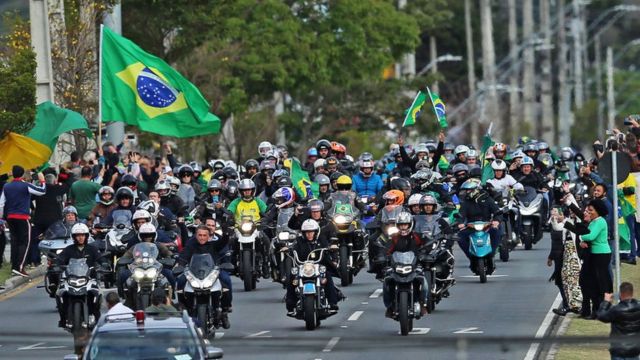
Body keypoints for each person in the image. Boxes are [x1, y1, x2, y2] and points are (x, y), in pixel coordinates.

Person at [176, 225, 232, 328]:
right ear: (196, 235)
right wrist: (180, 265)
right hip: (194, 274)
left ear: (208, 236)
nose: (202, 237)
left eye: (204, 235)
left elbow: (223, 242)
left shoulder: (214, 245)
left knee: (225, 285)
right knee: (180, 281)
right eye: (200, 235)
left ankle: (224, 311)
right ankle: (183, 306)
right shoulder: (191, 245)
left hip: (211, 274)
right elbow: (184, 255)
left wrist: (226, 232)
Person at [285, 219, 340, 316]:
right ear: (303, 233)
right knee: (292, 279)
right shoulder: (299, 241)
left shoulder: (321, 239)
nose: (309, 234)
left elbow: (328, 248)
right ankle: (290, 306)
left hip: (318, 266)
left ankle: (332, 303)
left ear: (315, 232)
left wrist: (331, 249)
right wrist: (288, 249)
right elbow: (293, 247)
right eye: (307, 232)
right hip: (303, 267)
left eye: (311, 232)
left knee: (327, 277)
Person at [55, 223, 105, 327]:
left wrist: (104, 264)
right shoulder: (68, 249)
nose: (80, 237)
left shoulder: (92, 249)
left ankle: (96, 317)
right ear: (74, 237)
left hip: (90, 279)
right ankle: (63, 319)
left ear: (87, 236)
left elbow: (101, 259)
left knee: (96, 294)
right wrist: (56, 265)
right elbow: (59, 259)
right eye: (78, 235)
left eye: (83, 235)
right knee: (59, 293)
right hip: (71, 279)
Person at [0, 166, 46, 277]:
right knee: (25, 242)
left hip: (10, 217)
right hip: (23, 217)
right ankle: (20, 267)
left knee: (15, 242)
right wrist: (42, 180)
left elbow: (1, 204)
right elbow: (42, 191)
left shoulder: (6, 186)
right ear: (22, 175)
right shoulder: (26, 185)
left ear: (13, 174)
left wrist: (1, 219)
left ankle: (14, 267)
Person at [383, 211, 427, 317]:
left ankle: (422, 304)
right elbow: (386, 249)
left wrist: (424, 253)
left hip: (414, 266)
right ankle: (390, 306)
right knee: (386, 282)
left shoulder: (417, 236)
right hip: (397, 267)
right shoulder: (393, 237)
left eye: (405, 224)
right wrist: (383, 256)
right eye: (401, 225)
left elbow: (427, 244)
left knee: (423, 281)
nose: (403, 227)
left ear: (410, 224)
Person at [456, 179, 502, 274]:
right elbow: (461, 215)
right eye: (466, 191)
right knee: (460, 237)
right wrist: (460, 223)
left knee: (497, 232)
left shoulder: (488, 199)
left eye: (469, 190)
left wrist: (496, 221)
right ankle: (472, 257)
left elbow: (497, 212)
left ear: (475, 190)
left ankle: (491, 254)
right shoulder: (466, 202)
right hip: (471, 227)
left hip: (487, 226)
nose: (466, 193)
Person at [579, 199, 613, 318]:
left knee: (600, 281)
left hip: (601, 254)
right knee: (592, 281)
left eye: (591, 210)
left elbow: (591, 236)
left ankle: (600, 310)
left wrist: (580, 236)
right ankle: (594, 310)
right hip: (594, 254)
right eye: (588, 209)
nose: (589, 212)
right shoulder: (594, 221)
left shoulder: (600, 221)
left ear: (598, 211)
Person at [597, 282, 640, 360]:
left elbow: (601, 316)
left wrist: (606, 302)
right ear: (632, 292)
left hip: (619, 351)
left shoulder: (617, 309)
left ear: (621, 294)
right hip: (634, 351)